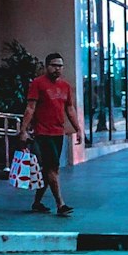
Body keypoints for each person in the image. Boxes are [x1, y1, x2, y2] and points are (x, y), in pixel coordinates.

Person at [19, 52, 83, 216]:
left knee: (50, 169)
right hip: (43, 132)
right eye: (54, 65)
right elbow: (30, 108)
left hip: (58, 132)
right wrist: (24, 130)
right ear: (47, 66)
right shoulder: (38, 84)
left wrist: (78, 129)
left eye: (60, 66)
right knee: (52, 168)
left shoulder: (65, 86)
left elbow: (70, 108)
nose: (57, 69)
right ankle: (60, 204)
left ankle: (37, 202)